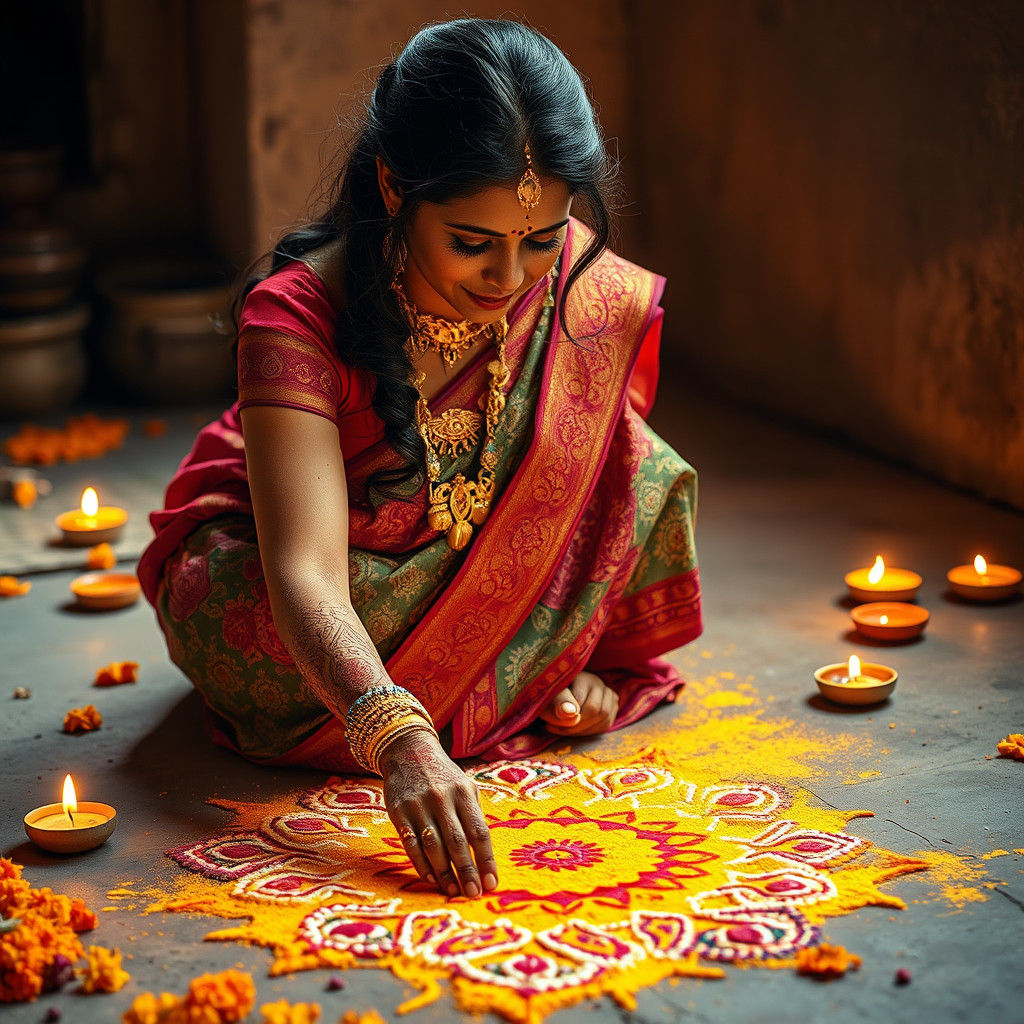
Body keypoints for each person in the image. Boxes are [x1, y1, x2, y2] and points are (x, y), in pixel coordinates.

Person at [137, 18, 701, 903]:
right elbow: (307, 576)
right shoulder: (296, 316)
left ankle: (554, 662)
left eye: (543, 239)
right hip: (315, 564)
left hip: (480, 581)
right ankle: (501, 674)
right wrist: (399, 737)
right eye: (471, 242)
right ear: (395, 186)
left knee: (638, 461)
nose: (510, 278)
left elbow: (597, 491)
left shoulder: (576, 291)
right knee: (250, 616)